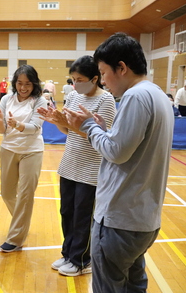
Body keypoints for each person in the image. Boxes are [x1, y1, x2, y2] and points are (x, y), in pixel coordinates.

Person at [64, 33, 174, 292]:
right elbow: (127, 145)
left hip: (120, 219)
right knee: (134, 286)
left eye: (103, 73)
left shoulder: (135, 96)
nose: (103, 81)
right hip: (143, 219)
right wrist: (103, 130)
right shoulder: (157, 94)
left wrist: (88, 125)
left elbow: (116, 152)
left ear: (121, 68)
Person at [38, 55, 116, 276]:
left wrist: (68, 124)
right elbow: (67, 131)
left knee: (82, 215)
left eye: (80, 79)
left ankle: (82, 260)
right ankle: (68, 254)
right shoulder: (72, 96)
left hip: (90, 168)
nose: (75, 84)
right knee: (67, 212)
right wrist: (58, 122)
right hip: (69, 164)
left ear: (94, 78)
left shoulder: (106, 100)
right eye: (72, 79)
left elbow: (100, 135)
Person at [0, 65, 47, 252]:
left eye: (27, 84)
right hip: (8, 149)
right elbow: (2, 130)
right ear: (14, 83)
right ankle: (21, 223)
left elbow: (35, 127)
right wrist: (0, 121)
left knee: (26, 195)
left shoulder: (40, 101)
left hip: (32, 150)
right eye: (20, 83)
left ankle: (15, 238)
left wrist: (17, 124)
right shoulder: (6, 99)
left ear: (34, 84)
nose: (23, 87)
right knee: (7, 193)